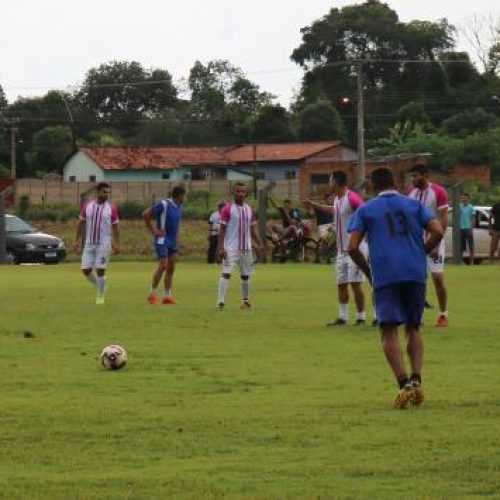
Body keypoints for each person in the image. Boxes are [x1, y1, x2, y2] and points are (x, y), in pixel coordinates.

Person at [348, 168, 443, 409]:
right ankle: (417, 379)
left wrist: (369, 272)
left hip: (386, 274)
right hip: (414, 272)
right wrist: (419, 253)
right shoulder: (412, 204)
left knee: (388, 330)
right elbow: (438, 231)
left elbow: (352, 247)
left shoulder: (366, 209)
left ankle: (403, 384)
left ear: (372, 186)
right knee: (413, 327)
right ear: (394, 182)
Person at [304, 171, 369, 326]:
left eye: (330, 180)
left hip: (356, 249)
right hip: (341, 250)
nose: (329, 183)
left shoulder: (352, 198)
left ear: (337, 182)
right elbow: (333, 211)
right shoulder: (338, 200)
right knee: (341, 283)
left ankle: (361, 317)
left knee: (355, 283)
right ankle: (343, 317)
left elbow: (366, 213)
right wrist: (315, 206)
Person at [407, 164, 449, 327]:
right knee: (417, 280)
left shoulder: (438, 191)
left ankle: (443, 314)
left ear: (425, 174)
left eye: (416, 175)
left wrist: (436, 244)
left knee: (437, 278)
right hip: (415, 244)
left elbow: (443, 218)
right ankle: (419, 316)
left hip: (434, 241)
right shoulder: (411, 193)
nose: (413, 179)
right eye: (412, 176)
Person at [216, 182, 264, 310]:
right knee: (226, 273)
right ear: (234, 192)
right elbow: (222, 229)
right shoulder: (227, 208)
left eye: (243, 191)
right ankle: (220, 301)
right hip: (231, 248)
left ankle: (245, 301)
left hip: (246, 248)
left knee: (245, 275)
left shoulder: (249, 210)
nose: (240, 194)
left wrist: (260, 244)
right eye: (238, 191)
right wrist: (221, 247)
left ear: (246, 193)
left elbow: (252, 230)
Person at [74, 182, 120, 305]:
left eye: (108, 192)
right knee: (85, 270)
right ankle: (101, 286)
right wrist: (77, 240)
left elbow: (115, 227)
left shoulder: (111, 208)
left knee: (100, 270)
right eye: (104, 192)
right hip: (89, 243)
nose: (106, 195)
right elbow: (81, 224)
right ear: (97, 192)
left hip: (104, 244)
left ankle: (100, 297)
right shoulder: (87, 206)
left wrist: (116, 243)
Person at [143, 185, 186, 305]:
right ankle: (152, 294)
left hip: (172, 241)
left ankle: (167, 297)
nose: (185, 198)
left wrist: (177, 236)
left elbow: (175, 223)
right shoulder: (164, 204)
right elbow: (145, 214)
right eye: (184, 195)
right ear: (180, 195)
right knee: (163, 266)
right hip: (162, 239)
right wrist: (154, 231)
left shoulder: (179, 207)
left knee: (171, 268)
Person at [459, 193, 476, 264]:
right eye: (463, 198)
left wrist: (471, 228)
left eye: (465, 198)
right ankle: (460, 261)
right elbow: (456, 217)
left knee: (471, 246)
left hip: (468, 228)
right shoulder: (459, 207)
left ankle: (471, 262)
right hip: (461, 228)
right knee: (461, 246)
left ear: (468, 199)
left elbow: (473, 219)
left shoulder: (471, 207)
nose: (464, 199)